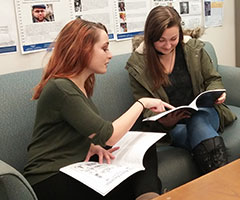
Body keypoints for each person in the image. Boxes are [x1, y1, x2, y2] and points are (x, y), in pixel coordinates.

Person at [24, 18, 172, 200]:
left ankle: (149, 196)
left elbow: (73, 133)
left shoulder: (78, 86)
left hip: (76, 167)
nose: (110, 55)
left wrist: (92, 147)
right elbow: (108, 135)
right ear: (83, 50)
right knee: (130, 183)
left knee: (143, 146)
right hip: (50, 178)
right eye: (104, 48)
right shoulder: (61, 88)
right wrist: (141, 103)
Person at [125, 6, 237, 175]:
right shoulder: (138, 64)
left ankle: (220, 183)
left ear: (180, 33)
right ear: (150, 37)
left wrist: (218, 93)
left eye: (173, 38)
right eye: (161, 40)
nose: (168, 45)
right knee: (196, 136)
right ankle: (224, 183)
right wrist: (165, 121)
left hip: (204, 113)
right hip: (172, 126)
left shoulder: (193, 50)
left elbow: (213, 79)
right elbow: (143, 104)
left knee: (197, 121)